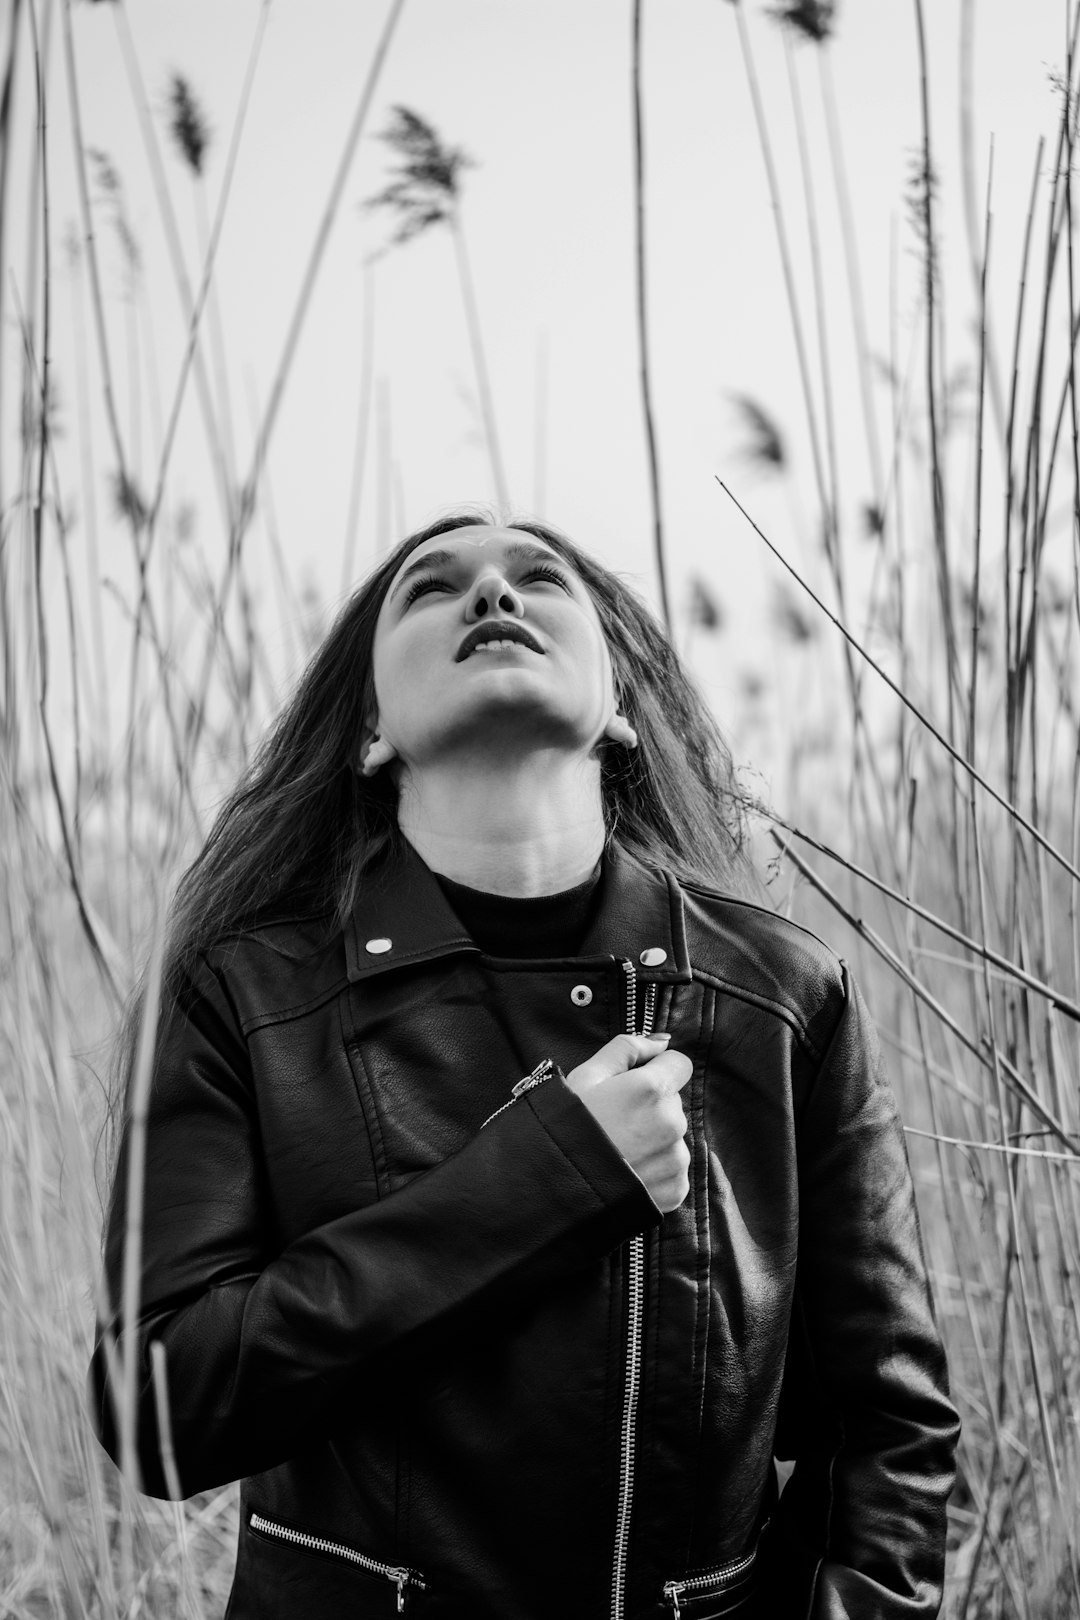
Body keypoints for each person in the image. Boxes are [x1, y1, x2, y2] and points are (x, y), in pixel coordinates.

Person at [90, 508, 959, 1620]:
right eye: (432, 587)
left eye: (538, 579)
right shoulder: (244, 996)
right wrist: (550, 1179)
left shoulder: (781, 997)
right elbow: (159, 1403)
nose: (492, 595)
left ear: (622, 713)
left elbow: (890, 1429)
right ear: (370, 729)